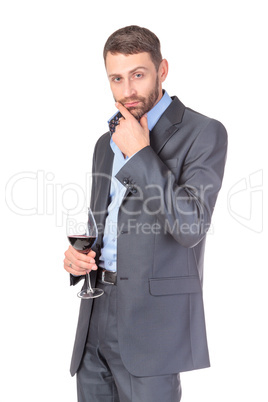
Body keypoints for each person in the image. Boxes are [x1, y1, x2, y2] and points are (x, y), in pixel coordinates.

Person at [63, 25, 227, 402]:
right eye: (116, 79)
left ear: (162, 70)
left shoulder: (204, 133)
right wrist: (78, 258)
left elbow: (190, 225)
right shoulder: (105, 143)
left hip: (153, 326)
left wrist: (140, 154)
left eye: (138, 75)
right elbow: (102, 223)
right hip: (94, 314)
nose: (127, 91)